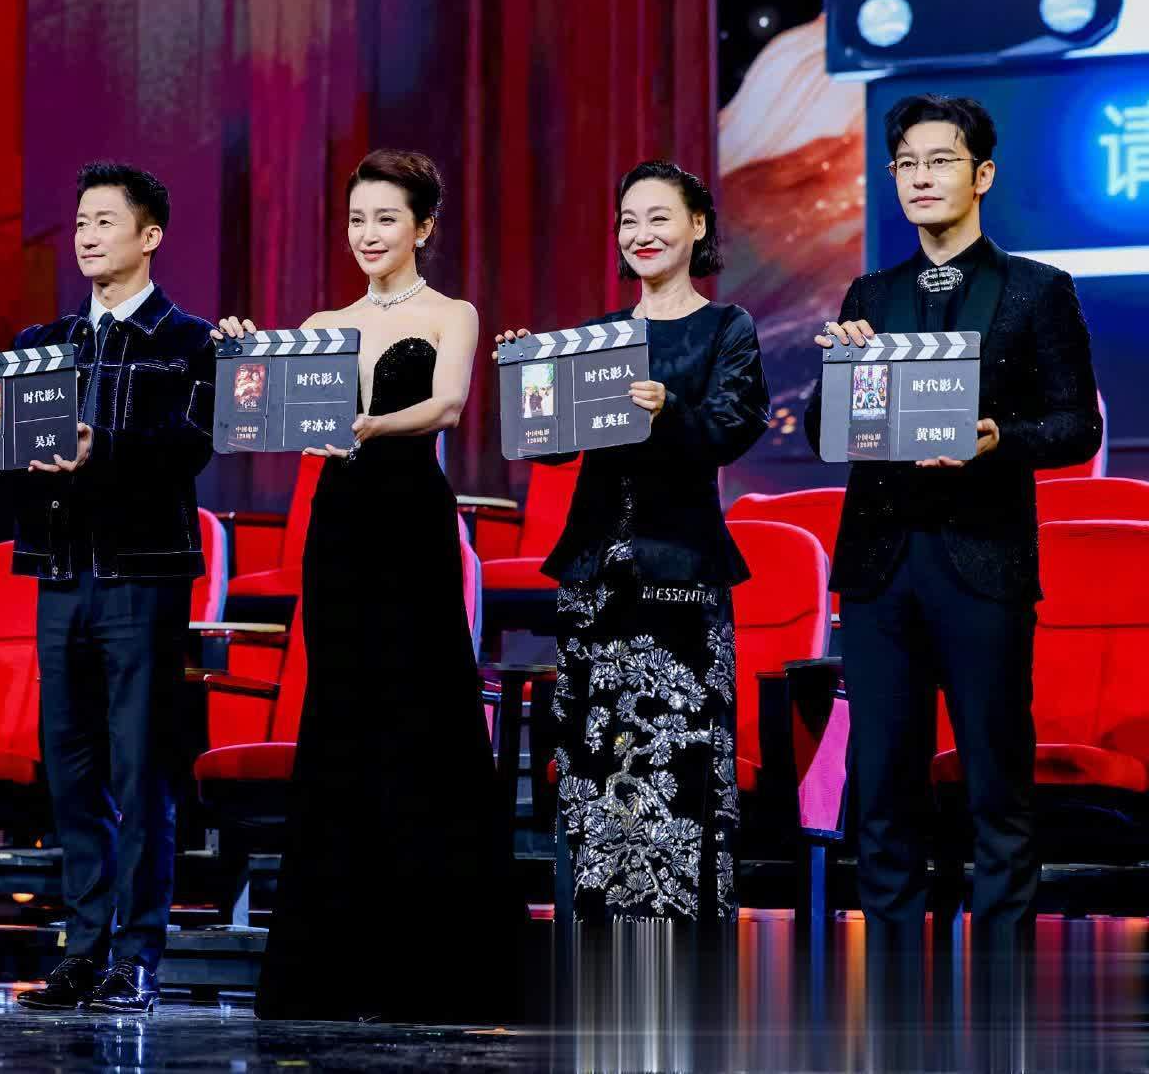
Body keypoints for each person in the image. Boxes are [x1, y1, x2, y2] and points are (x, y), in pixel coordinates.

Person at [221, 149, 526, 1022]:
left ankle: (432, 964)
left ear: (423, 226)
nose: (368, 234)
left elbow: (448, 406)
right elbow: (274, 416)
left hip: (411, 518)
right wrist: (246, 358)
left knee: (422, 713)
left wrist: (369, 425)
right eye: (357, 219)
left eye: (386, 218)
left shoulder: (452, 313)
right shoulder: (325, 321)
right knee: (342, 717)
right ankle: (333, 966)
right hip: (341, 525)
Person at [808, 96, 1100, 976]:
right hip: (880, 564)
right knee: (884, 790)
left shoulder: (1038, 289)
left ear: (982, 175)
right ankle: (895, 987)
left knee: (995, 787)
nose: (921, 177)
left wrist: (997, 438)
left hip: (984, 563)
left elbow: (1077, 427)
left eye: (940, 161)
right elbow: (825, 430)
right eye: (907, 163)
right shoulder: (871, 294)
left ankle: (1003, 985)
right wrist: (844, 371)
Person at [0, 162, 216, 1015]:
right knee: (72, 772)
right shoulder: (42, 343)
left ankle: (137, 955)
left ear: (149, 236)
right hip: (60, 573)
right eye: (81, 222)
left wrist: (107, 447)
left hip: (142, 577)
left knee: (140, 773)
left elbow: (194, 445)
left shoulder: (187, 339)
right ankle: (83, 948)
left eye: (105, 221)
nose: (88, 236)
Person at [496, 160, 767, 927]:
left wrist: (668, 407)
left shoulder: (727, 327)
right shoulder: (598, 338)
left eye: (658, 217)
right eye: (628, 221)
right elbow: (549, 447)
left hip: (678, 575)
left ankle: (679, 951)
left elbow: (730, 429)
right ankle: (598, 945)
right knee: (593, 767)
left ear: (697, 226)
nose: (640, 234)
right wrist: (528, 376)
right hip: (592, 579)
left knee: (676, 766)